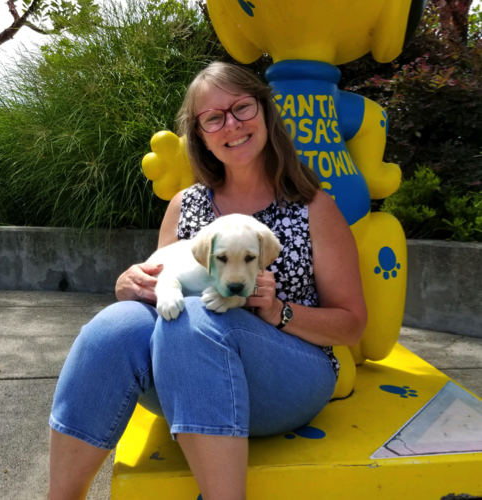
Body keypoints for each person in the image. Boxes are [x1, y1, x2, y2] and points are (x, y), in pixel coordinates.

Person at [48, 62, 367, 500]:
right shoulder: (185, 206)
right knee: (115, 325)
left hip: (289, 380)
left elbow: (352, 325)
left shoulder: (312, 207)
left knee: (196, 317)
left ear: (266, 112)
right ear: (199, 135)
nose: (231, 124)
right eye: (213, 118)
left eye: (241, 107)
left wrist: (279, 311)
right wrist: (131, 286)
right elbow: (161, 299)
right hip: (188, 378)